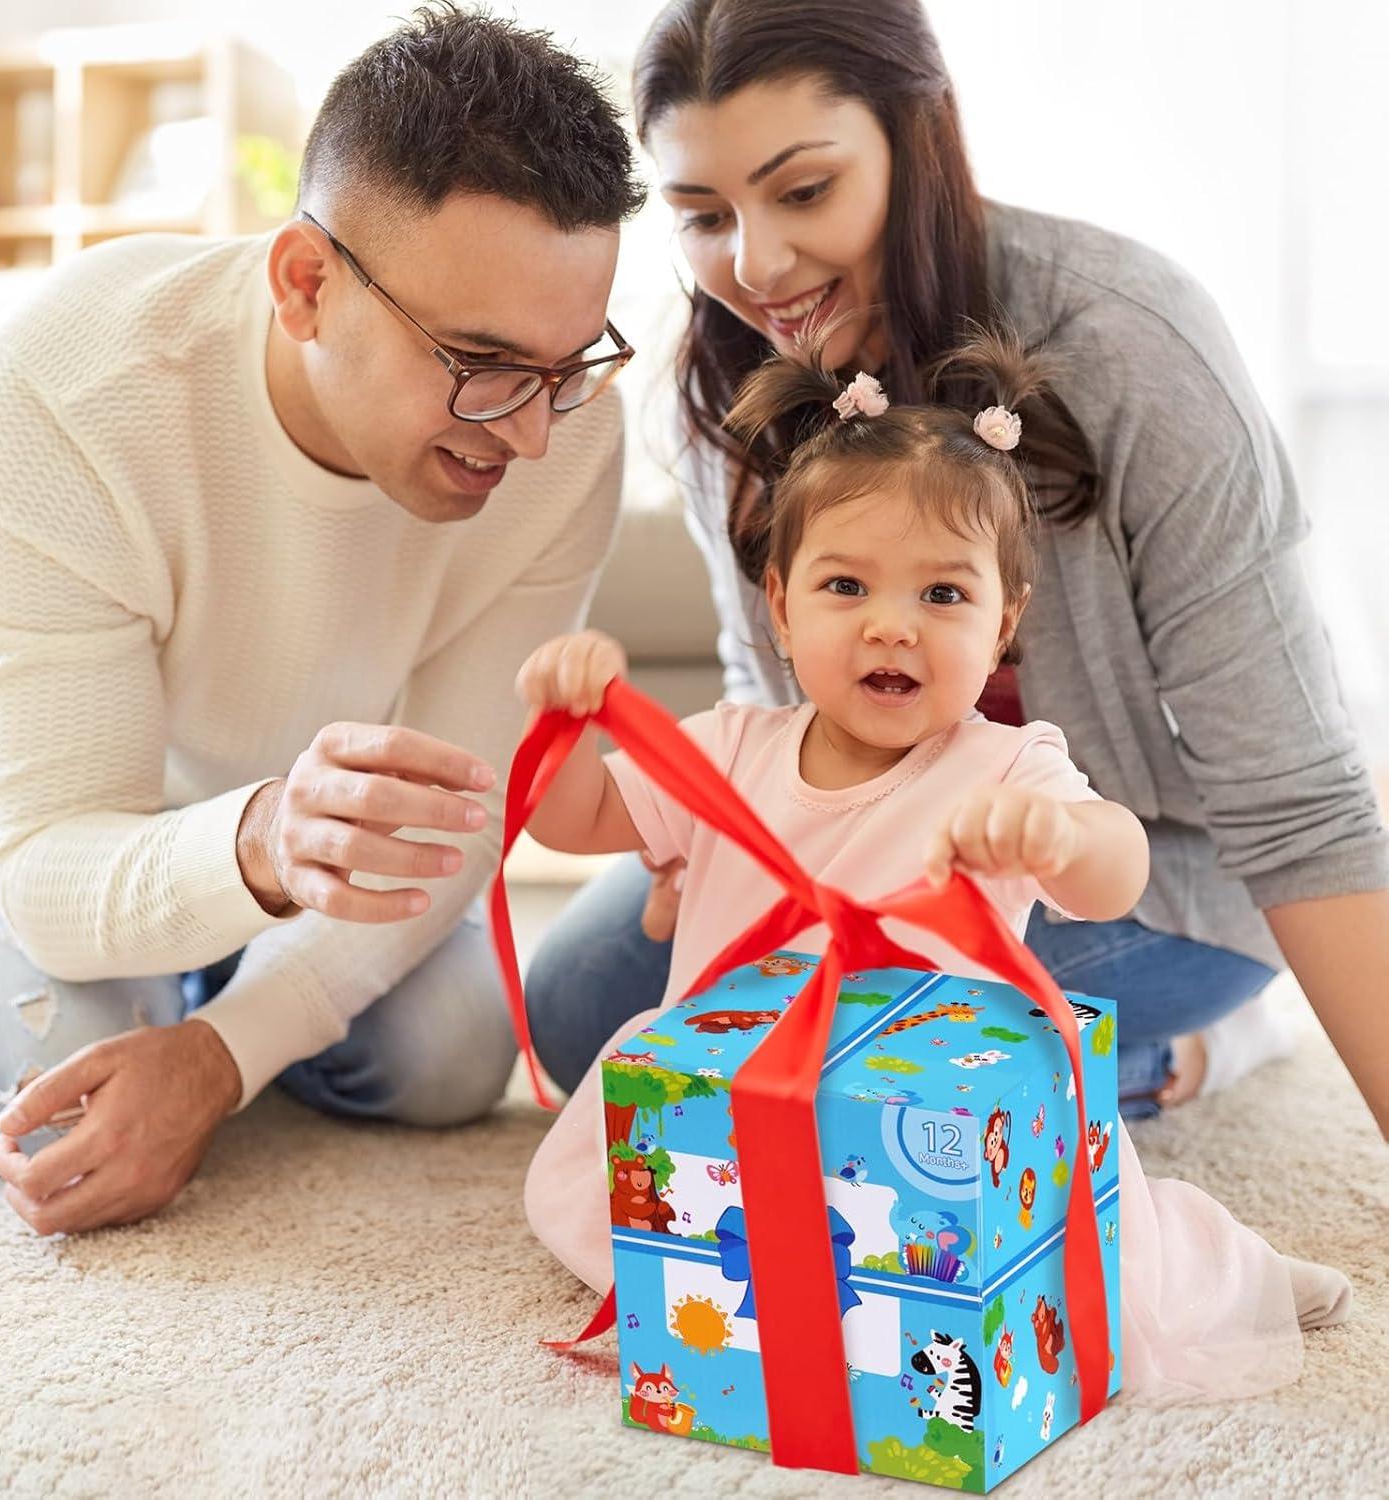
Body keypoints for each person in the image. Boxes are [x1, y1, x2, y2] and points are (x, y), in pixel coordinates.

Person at [525, 0, 1389, 1134]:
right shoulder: (727, 386)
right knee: (582, 1009)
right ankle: (1092, 1064)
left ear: (914, 138)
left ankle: (1192, 1044)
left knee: (871, 1035)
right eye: (702, 215)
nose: (756, 264)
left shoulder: (1131, 342)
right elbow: (767, 689)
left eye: (804, 191)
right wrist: (719, 852)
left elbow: (1299, 806)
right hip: (850, 838)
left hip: (1128, 866)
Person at [0, 5, 645, 1235]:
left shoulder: (568, 432)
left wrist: (217, 1056)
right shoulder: (63, 384)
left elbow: (456, 818)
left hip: (283, 803)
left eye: (566, 367)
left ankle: (187, 967)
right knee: (54, 1111)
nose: (529, 435)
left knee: (451, 1052)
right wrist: (257, 848)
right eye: (481, 361)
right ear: (305, 284)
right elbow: (50, 862)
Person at [516, 329, 1350, 1402]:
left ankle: (1226, 1262)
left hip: (930, 1125)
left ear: (1005, 625)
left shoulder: (1006, 765)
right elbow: (574, 821)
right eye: (846, 586)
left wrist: (1060, 838)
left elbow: (1120, 873)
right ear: (782, 608)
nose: (891, 628)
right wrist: (566, 718)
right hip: (744, 1100)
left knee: (1109, 1271)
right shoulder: (729, 747)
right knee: (609, 1211)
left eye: (943, 597)